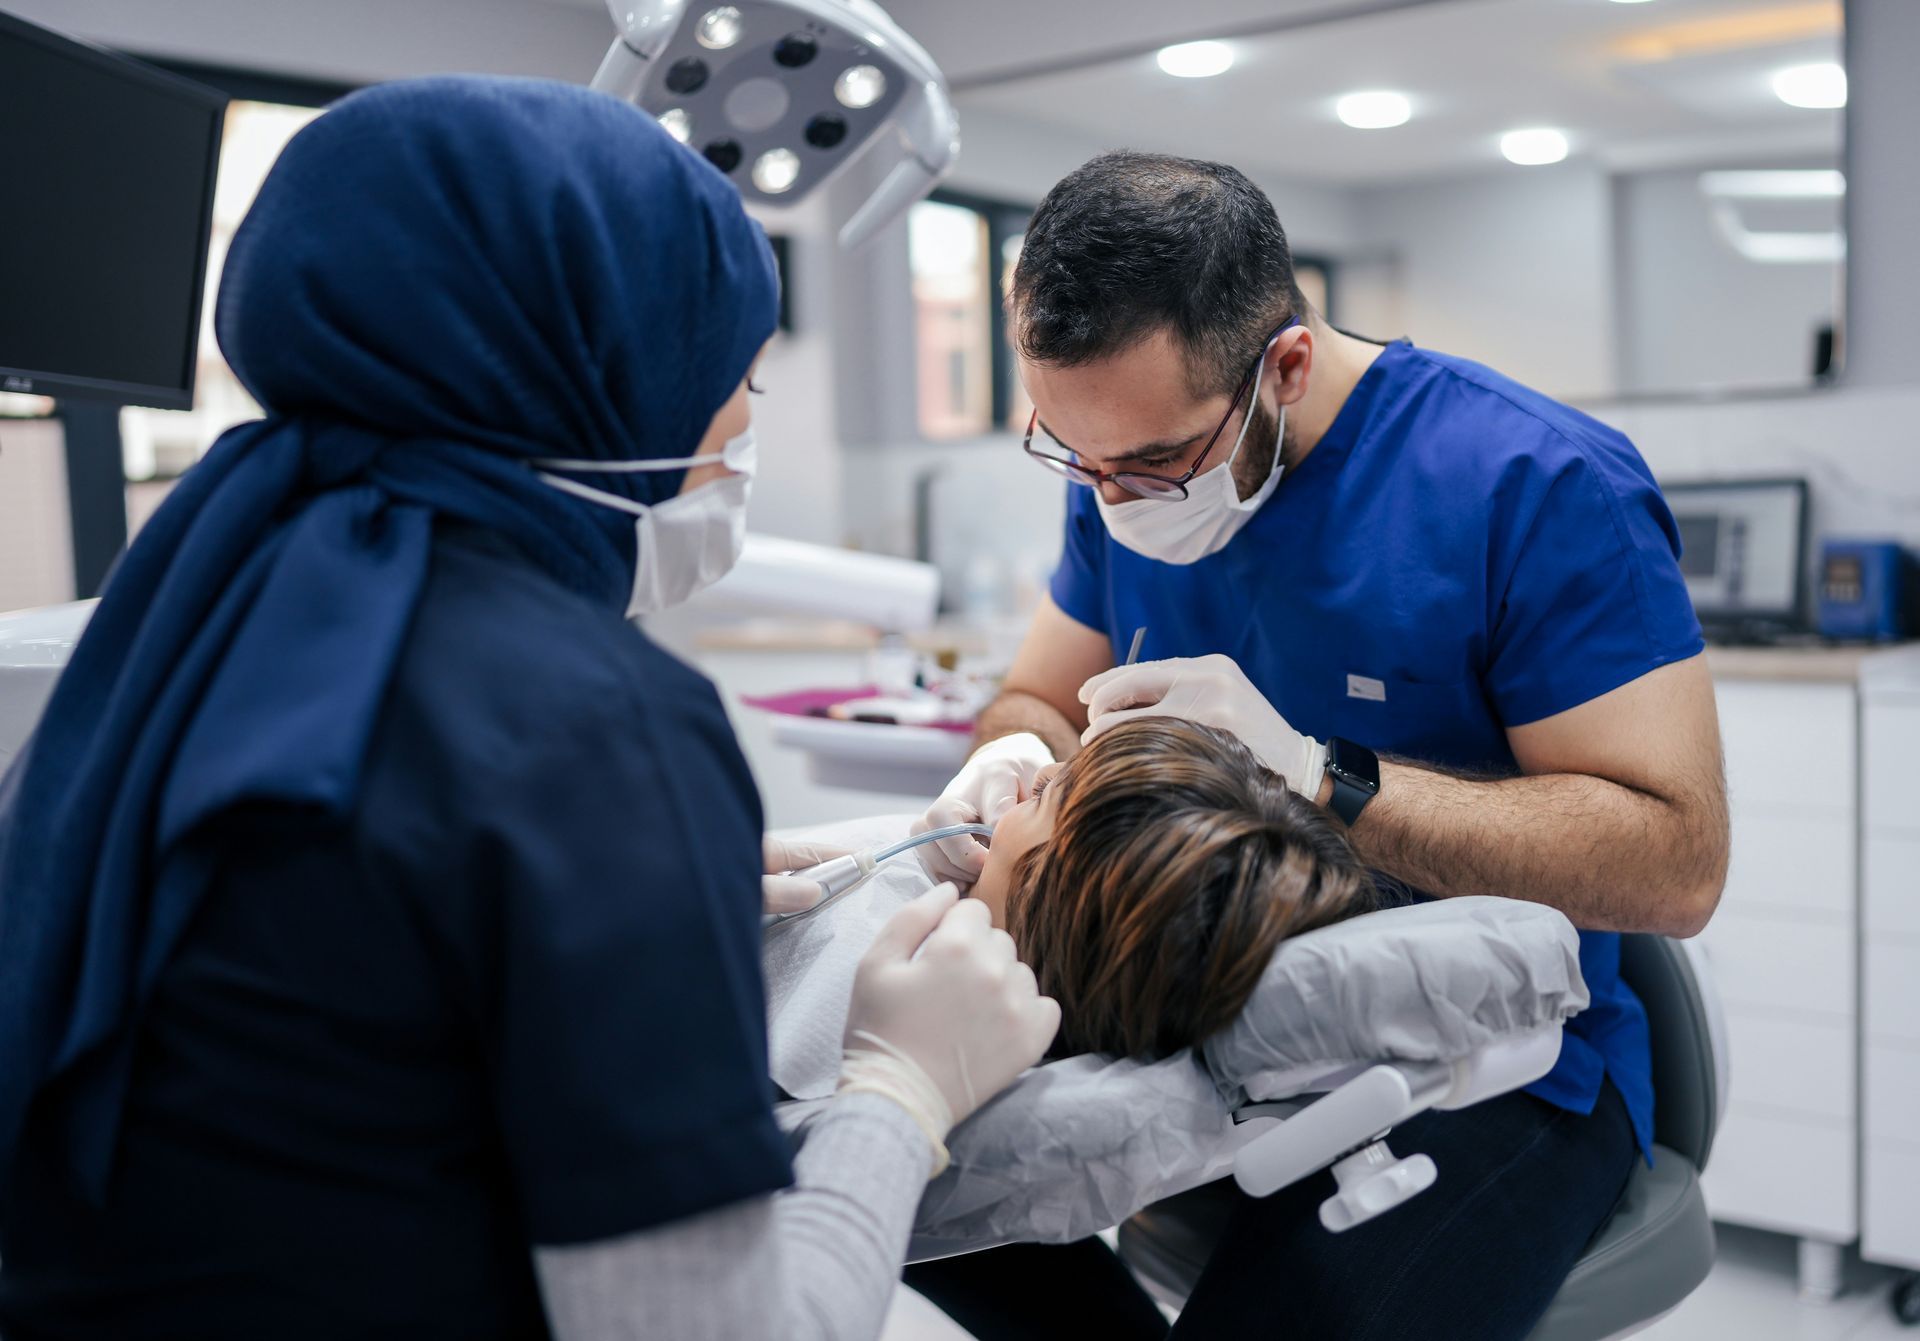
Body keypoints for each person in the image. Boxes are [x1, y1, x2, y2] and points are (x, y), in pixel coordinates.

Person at [0, 77, 1057, 1341]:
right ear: (607, 363)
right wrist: (901, 1085)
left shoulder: (193, 605)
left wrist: (651, 889)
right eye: (742, 384)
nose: (739, 433)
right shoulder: (591, 724)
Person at [908, 151, 1731, 1340]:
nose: (1111, 500)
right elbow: (1037, 695)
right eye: (1074, 458)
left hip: (1483, 1060)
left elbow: (1676, 864)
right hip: (1198, 1023)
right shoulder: (1120, 464)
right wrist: (1000, 759)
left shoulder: (1532, 485)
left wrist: (1316, 775)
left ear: (1283, 365)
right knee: (893, 1170)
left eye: (1148, 464)